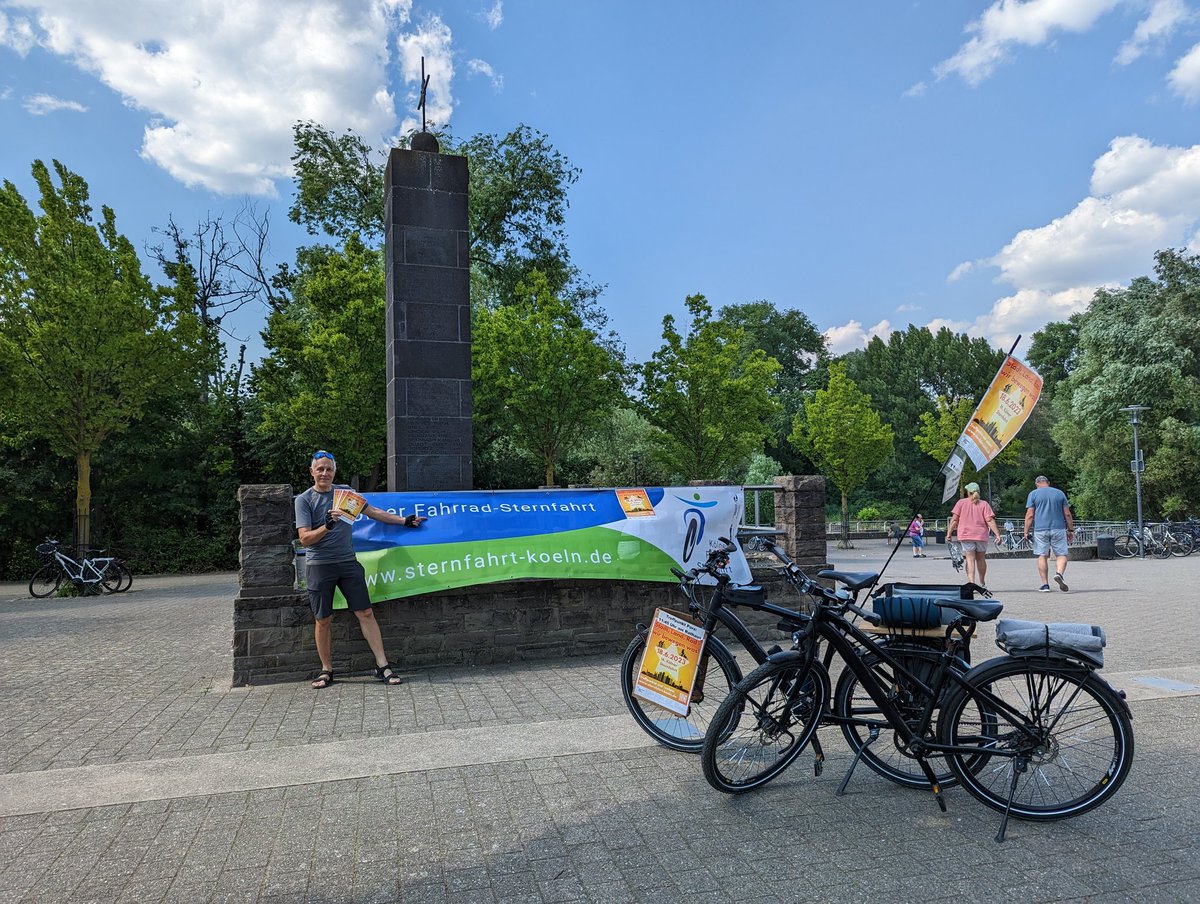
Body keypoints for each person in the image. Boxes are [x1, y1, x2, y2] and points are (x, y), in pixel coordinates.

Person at [295, 450, 426, 689]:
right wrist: (327, 525)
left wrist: (404, 521)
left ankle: (382, 665)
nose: (325, 473)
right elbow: (304, 540)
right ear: (311, 471)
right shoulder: (304, 500)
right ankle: (326, 670)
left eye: (329, 469)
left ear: (334, 471)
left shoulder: (344, 494)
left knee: (365, 613)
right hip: (319, 566)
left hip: (347, 563)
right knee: (323, 619)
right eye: (320, 469)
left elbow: (373, 512)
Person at [1023, 475, 1075, 592]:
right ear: (1048, 483)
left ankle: (1045, 585)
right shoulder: (1059, 493)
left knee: (1042, 555)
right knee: (1061, 554)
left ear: (1037, 484)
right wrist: (1071, 530)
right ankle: (1059, 574)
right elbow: (1067, 514)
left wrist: (1026, 531)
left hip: (1040, 530)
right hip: (1059, 529)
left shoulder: (1033, 494)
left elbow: (1030, 515)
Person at [947, 482, 1002, 588]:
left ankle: (971, 583)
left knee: (970, 559)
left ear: (968, 492)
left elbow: (954, 520)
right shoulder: (984, 504)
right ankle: (982, 583)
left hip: (966, 535)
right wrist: (997, 535)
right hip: (981, 535)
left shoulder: (961, 503)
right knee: (981, 558)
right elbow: (989, 520)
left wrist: (949, 533)